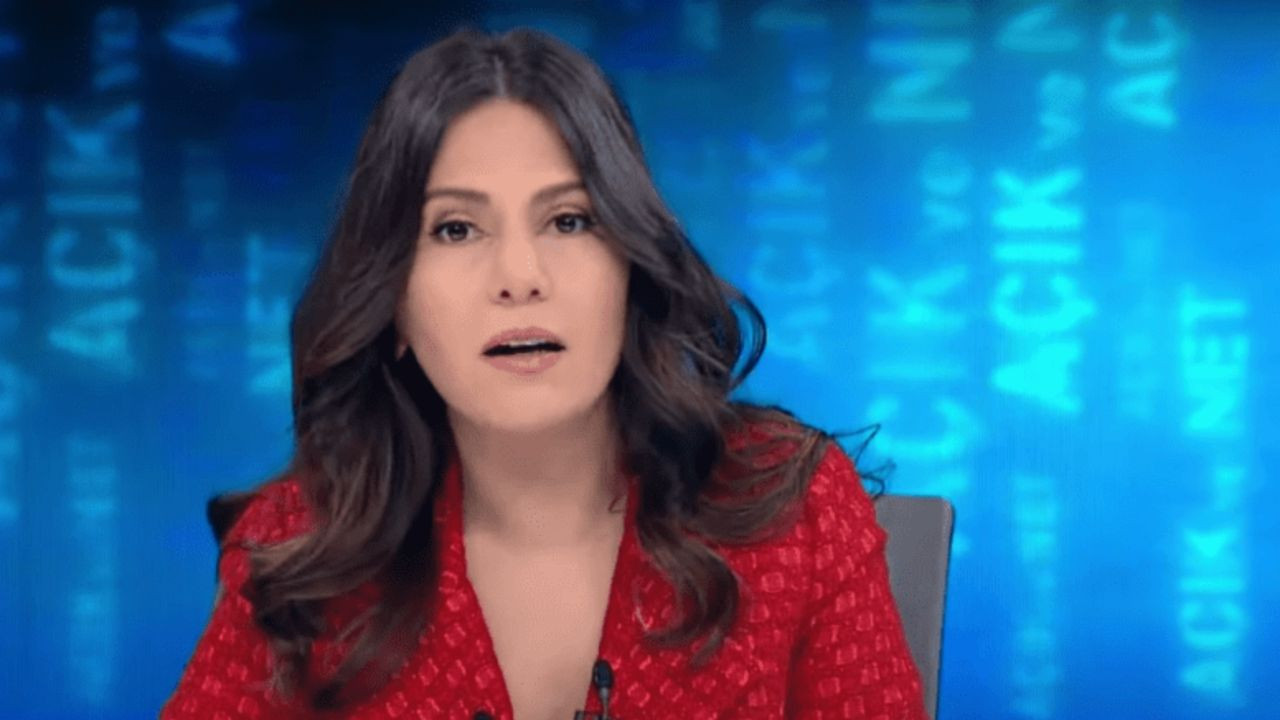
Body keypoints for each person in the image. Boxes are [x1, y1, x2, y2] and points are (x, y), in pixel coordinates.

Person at [161, 25, 928, 720]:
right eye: (456, 229)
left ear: (630, 265)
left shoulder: (796, 516)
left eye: (568, 220)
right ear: (392, 302)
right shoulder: (302, 546)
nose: (520, 277)